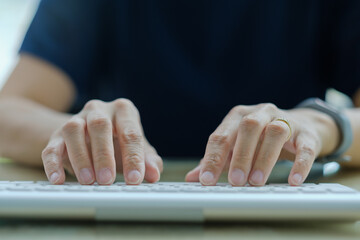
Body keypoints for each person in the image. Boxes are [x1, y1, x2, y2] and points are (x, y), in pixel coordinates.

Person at [0, 0, 359, 187]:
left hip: (279, 193)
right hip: (119, 190)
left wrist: (323, 123)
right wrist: (79, 135)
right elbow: (9, 109)